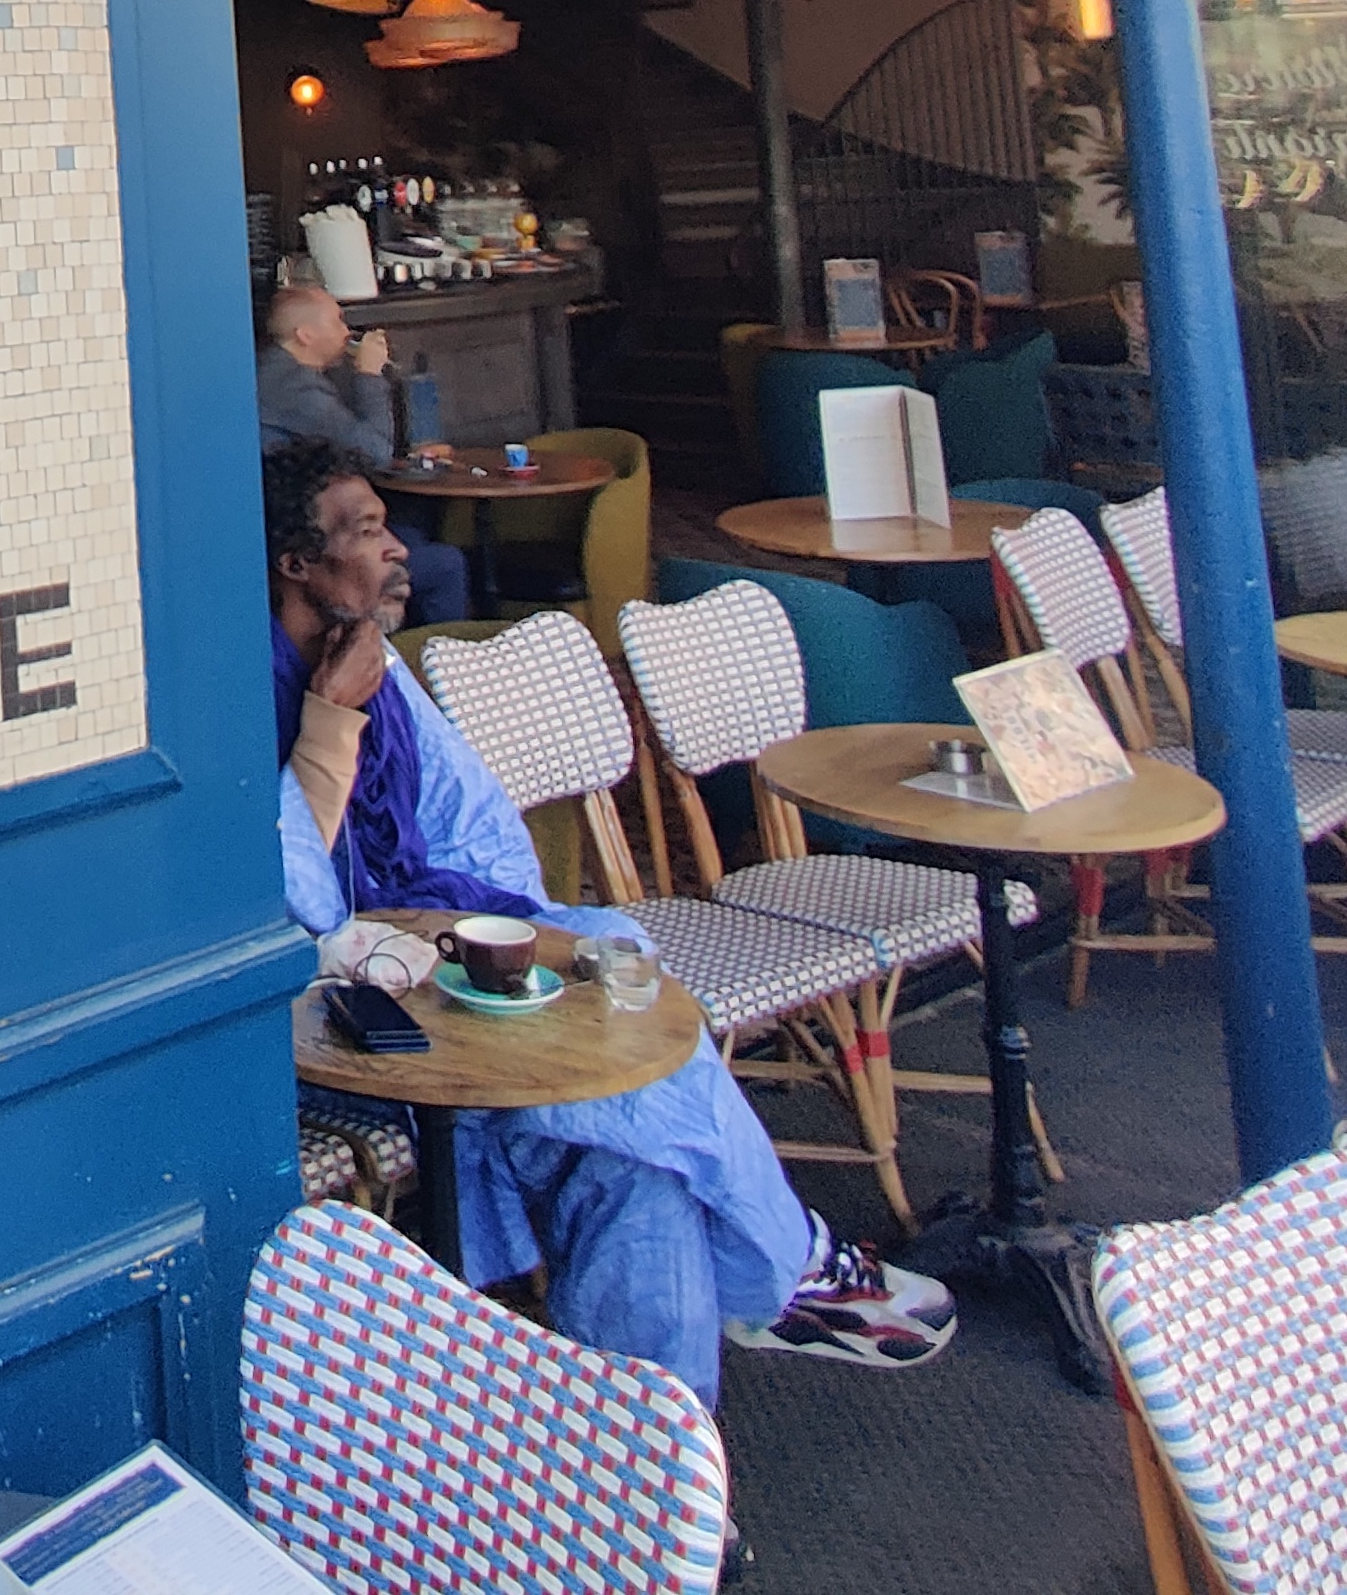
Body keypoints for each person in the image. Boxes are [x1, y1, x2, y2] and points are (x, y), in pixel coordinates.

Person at [267, 441, 951, 1390]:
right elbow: (289, 891)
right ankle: (789, 1270)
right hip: (334, 1019)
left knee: (631, 1166)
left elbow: (477, 833)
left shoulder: (379, 670)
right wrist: (332, 720)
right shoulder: (254, 692)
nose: (398, 552)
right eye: (370, 531)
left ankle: (653, 1445)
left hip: (437, 969)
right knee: (624, 1088)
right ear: (298, 564)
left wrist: (511, 932)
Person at [258, 282, 471, 627]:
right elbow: (375, 453)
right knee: (447, 563)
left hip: (298, 523)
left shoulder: (279, 372)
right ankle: (429, 655)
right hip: (299, 542)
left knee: (414, 533)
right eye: (337, 321)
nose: (347, 332)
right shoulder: (293, 386)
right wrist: (369, 374)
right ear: (306, 334)